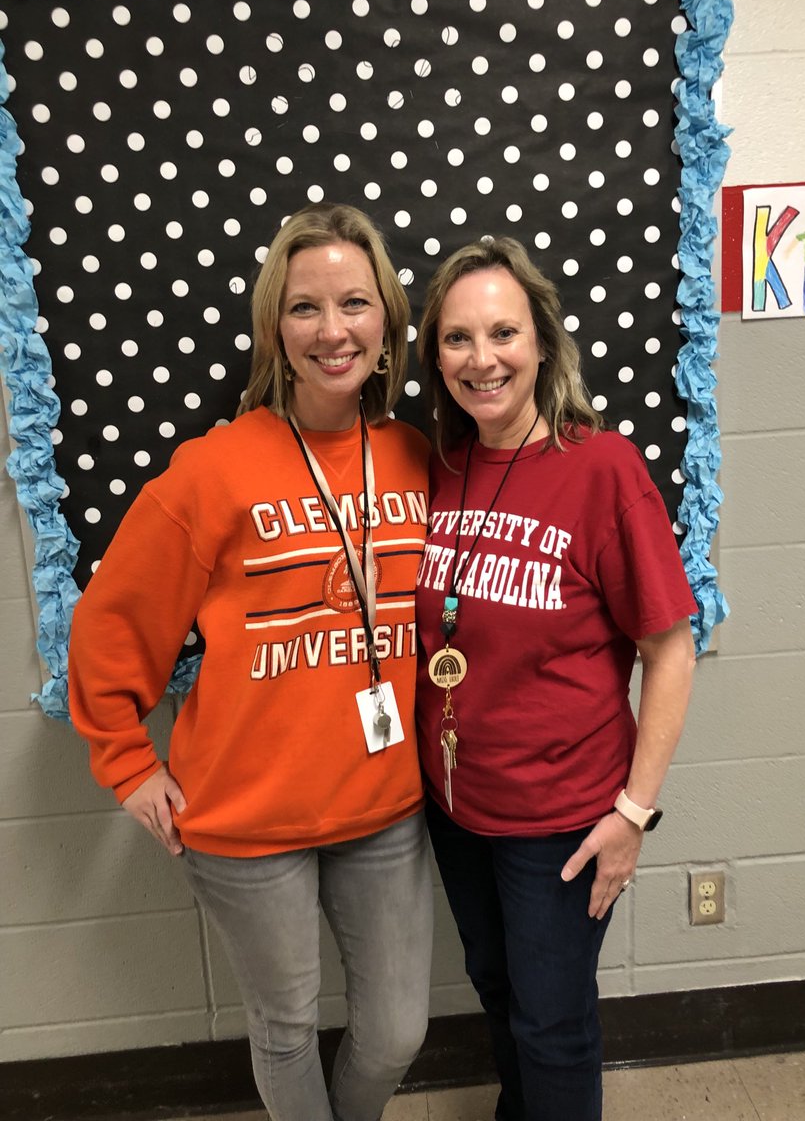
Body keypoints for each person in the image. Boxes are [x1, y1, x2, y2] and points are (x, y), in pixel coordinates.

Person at [68, 203, 433, 1121]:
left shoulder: (415, 456)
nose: (332, 329)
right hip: (243, 822)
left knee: (396, 1033)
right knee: (285, 1029)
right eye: (305, 307)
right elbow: (111, 625)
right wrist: (125, 762)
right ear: (276, 326)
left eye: (354, 303)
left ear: (387, 320)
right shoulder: (212, 471)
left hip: (384, 805)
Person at [414, 236, 696, 1121]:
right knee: (497, 992)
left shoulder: (602, 468)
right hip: (457, 806)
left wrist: (633, 814)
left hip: (562, 819)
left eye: (503, 332)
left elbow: (671, 651)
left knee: (552, 1025)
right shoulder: (439, 468)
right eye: (457, 338)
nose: (482, 358)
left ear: (542, 341)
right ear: (435, 357)